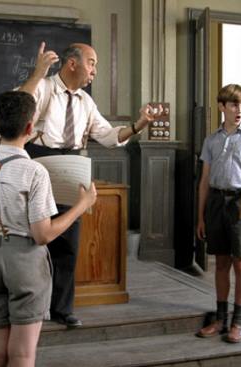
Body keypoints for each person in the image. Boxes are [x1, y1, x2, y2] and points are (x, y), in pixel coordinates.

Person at [18, 41, 162, 328]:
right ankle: (31, 308)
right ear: (73, 64)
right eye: (92, 62)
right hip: (38, 161)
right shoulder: (44, 87)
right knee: (34, 240)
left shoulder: (86, 102)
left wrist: (138, 125)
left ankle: (61, 309)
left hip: (72, 164)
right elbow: (17, 108)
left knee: (68, 242)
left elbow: (109, 136)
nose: (95, 69)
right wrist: (37, 74)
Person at [0, 91, 97, 367]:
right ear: (31, 127)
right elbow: (42, 234)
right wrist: (82, 205)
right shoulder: (34, 171)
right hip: (24, 262)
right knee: (22, 355)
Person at [195, 84, 241, 343]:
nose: (240, 110)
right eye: (235, 105)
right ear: (222, 106)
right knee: (221, 263)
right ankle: (220, 319)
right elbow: (204, 181)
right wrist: (201, 217)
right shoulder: (212, 140)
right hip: (216, 202)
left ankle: (240, 321)